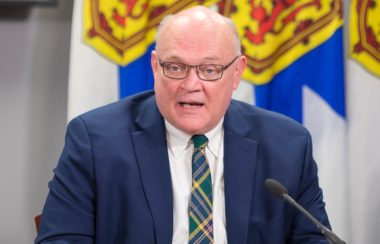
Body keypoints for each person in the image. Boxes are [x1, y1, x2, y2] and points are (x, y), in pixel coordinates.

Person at [35, 6, 331, 244]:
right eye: (175, 67)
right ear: (155, 67)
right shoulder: (95, 141)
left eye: (209, 70)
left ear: (237, 72)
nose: (191, 85)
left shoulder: (287, 145)